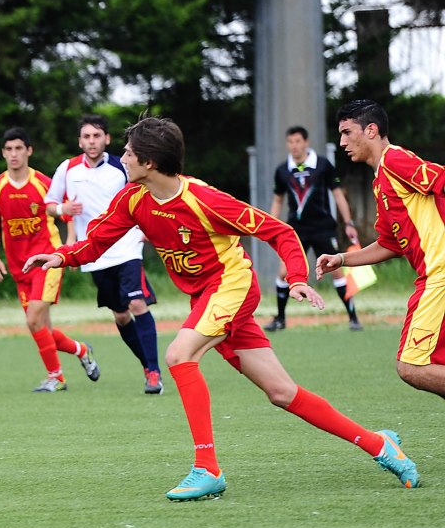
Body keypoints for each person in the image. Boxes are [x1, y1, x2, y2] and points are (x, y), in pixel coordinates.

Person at [24, 116, 420, 500]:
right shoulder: (133, 198)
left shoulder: (203, 199)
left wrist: (296, 277)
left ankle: (207, 469)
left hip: (232, 286)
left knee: (179, 355)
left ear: (149, 163)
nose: (121, 158)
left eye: (128, 153)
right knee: (282, 393)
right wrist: (59, 257)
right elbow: (96, 243)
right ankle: (380, 445)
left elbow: (278, 231)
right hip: (208, 298)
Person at [317, 99, 445, 398]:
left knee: (413, 366)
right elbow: (390, 244)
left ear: (371, 130)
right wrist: (342, 259)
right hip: (434, 276)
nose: (342, 142)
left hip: (439, 276)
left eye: (348, 132)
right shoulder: (382, 178)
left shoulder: (395, 161)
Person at [44, 114, 163, 394]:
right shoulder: (68, 169)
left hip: (127, 247)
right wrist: (63, 211)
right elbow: (49, 203)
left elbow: (148, 191)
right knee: (121, 316)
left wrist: (148, 225)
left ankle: (154, 372)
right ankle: (148, 365)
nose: (92, 141)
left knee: (137, 305)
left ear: (107, 139)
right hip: (94, 252)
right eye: (86, 136)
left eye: (97, 136)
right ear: (79, 141)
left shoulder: (122, 165)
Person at [0, 127, 100, 393]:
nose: (14, 154)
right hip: (18, 267)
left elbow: (67, 210)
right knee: (42, 328)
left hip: (48, 260)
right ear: (3, 153)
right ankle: (81, 350)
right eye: (9, 149)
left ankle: (55, 377)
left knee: (33, 320)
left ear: (29, 151)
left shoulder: (44, 183)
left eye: (19, 148)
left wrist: (70, 243)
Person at [265, 126, 363, 332]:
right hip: (296, 231)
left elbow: (337, 195)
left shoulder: (323, 165)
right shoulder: (282, 170)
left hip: (323, 228)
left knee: (336, 271)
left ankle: (353, 317)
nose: (294, 146)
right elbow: (277, 200)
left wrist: (348, 223)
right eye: (290, 142)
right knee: (284, 272)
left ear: (306, 142)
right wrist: (269, 227)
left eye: (298, 141)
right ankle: (280, 318)